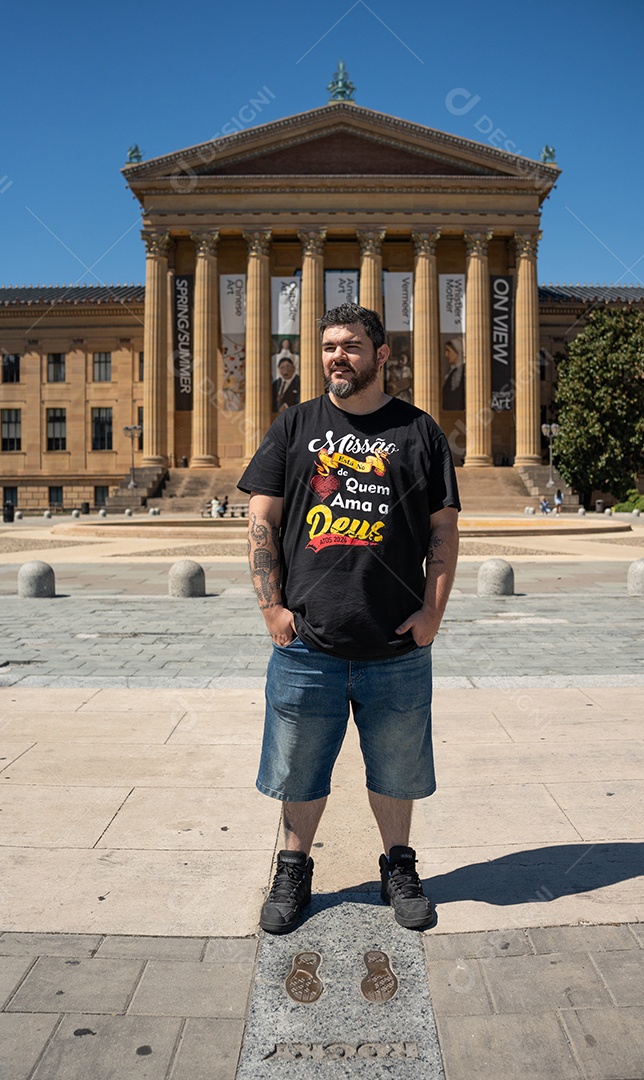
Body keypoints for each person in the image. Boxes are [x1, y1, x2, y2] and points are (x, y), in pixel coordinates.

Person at [238, 302, 460, 934]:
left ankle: (399, 865)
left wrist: (431, 615)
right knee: (299, 767)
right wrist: (272, 609)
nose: (338, 356)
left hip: (395, 643)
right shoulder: (294, 425)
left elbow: (443, 531)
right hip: (308, 642)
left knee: (397, 769)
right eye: (329, 345)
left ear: (381, 355)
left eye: (352, 346)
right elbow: (262, 521)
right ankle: (292, 867)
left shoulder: (418, 433)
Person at [441, 337, 465, 411]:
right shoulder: (451, 373)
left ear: (457, 352)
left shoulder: (465, 372)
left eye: (448, 351)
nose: (446, 355)